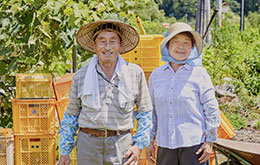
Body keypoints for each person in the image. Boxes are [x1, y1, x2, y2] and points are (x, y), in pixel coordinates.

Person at [58, 20, 153, 165]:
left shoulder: (135, 73)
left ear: (121, 46)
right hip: (88, 145)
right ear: (93, 45)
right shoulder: (81, 76)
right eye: (102, 41)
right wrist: (64, 152)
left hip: (122, 144)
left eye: (113, 41)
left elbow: (145, 112)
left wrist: (138, 146)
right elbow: (71, 116)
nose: (107, 47)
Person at [145, 22, 220, 165]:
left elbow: (211, 109)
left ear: (192, 47)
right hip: (165, 145)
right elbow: (151, 111)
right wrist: (149, 141)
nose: (181, 47)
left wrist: (210, 141)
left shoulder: (199, 74)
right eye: (176, 42)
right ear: (167, 45)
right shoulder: (157, 75)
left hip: (194, 146)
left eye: (186, 43)